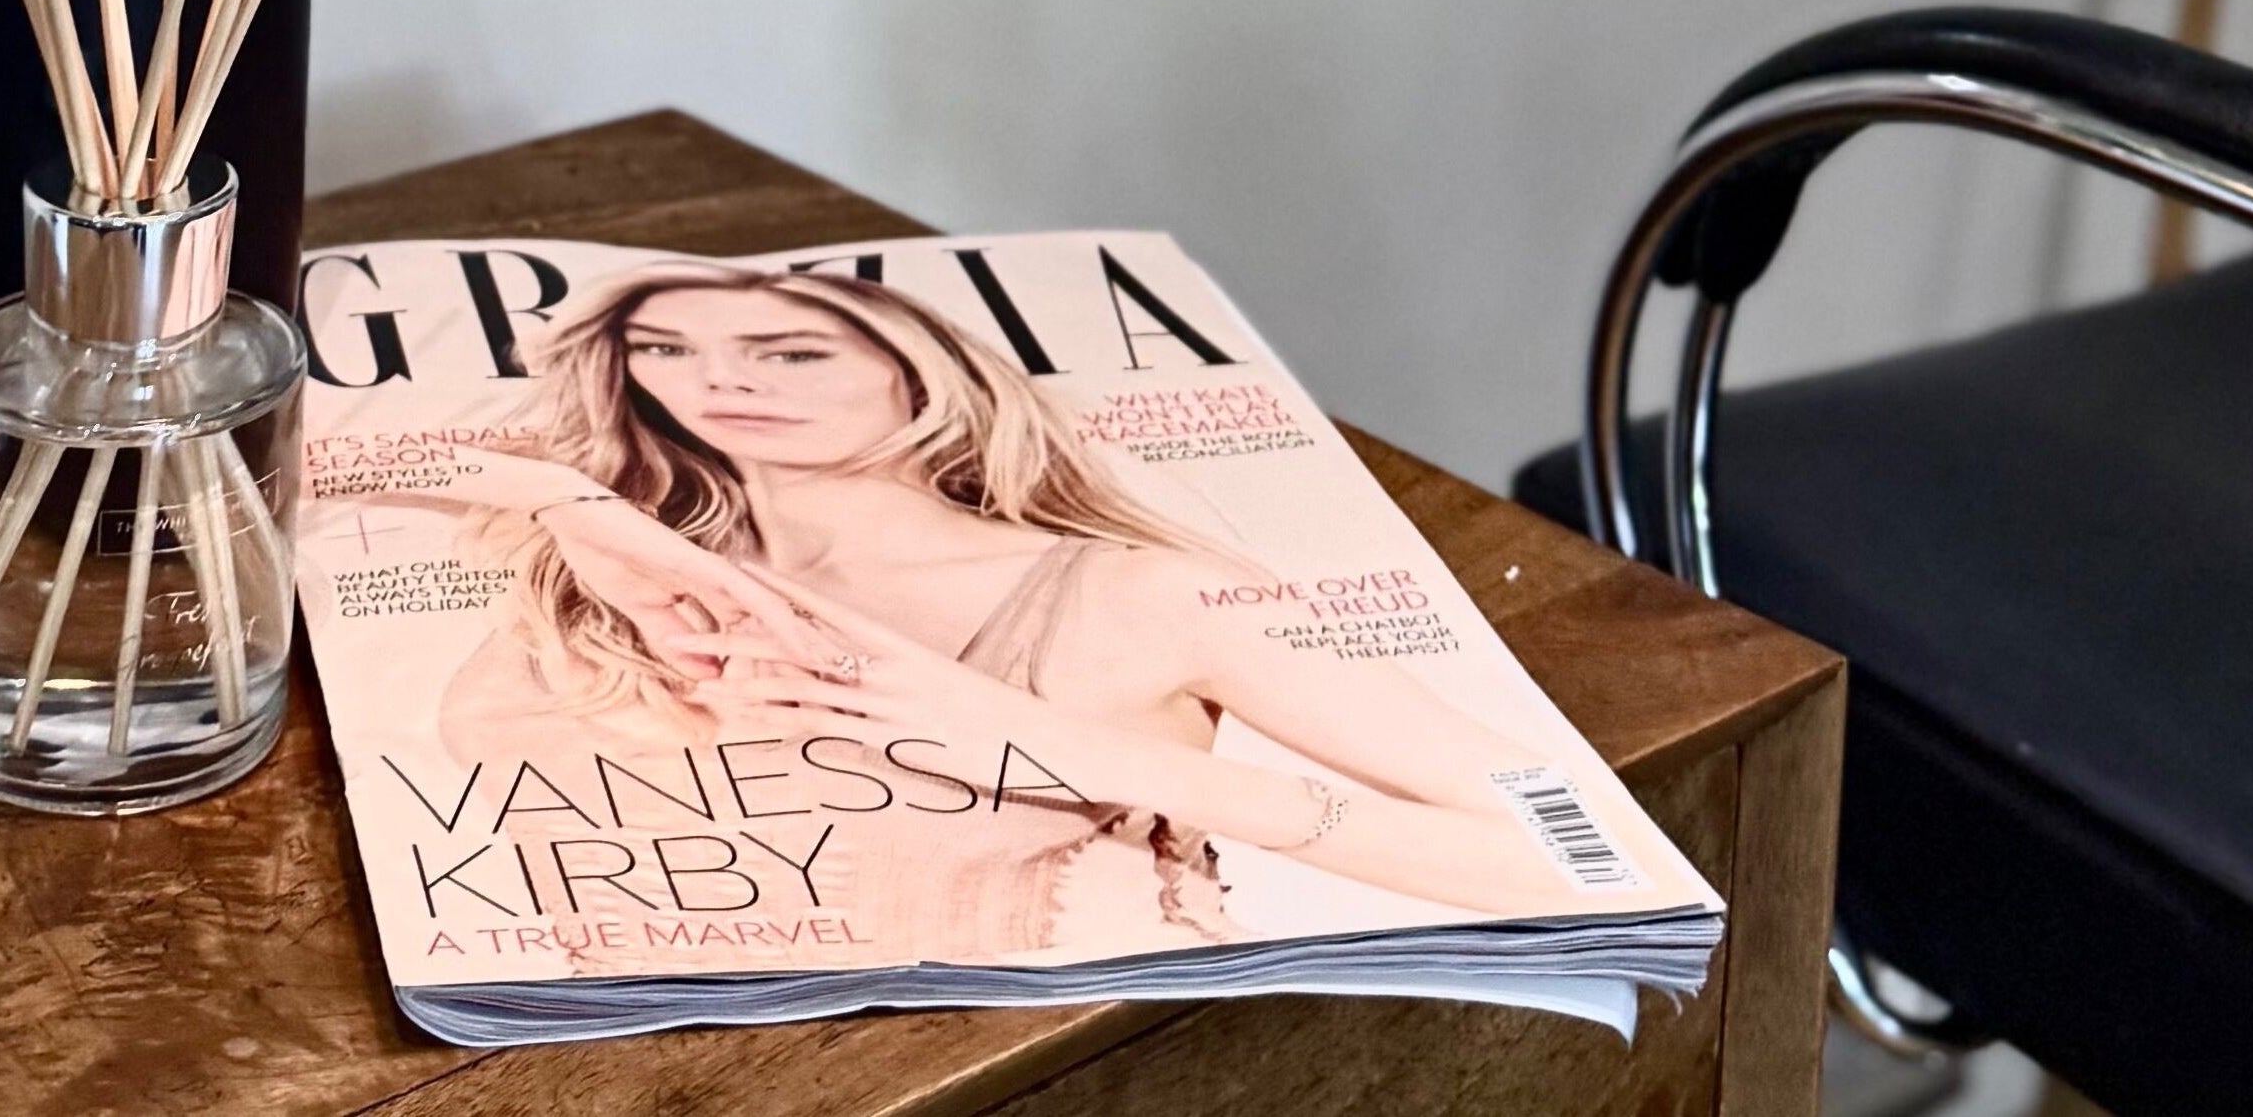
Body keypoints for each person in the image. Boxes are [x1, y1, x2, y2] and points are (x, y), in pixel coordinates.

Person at [425, 262, 1580, 961]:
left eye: (790, 351)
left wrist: (1065, 747)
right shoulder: (597, 577)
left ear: (921, 377)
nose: (722, 383)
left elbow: (1573, 848)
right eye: (667, 348)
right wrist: (558, 495)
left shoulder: (1134, 589)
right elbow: (267, 416)